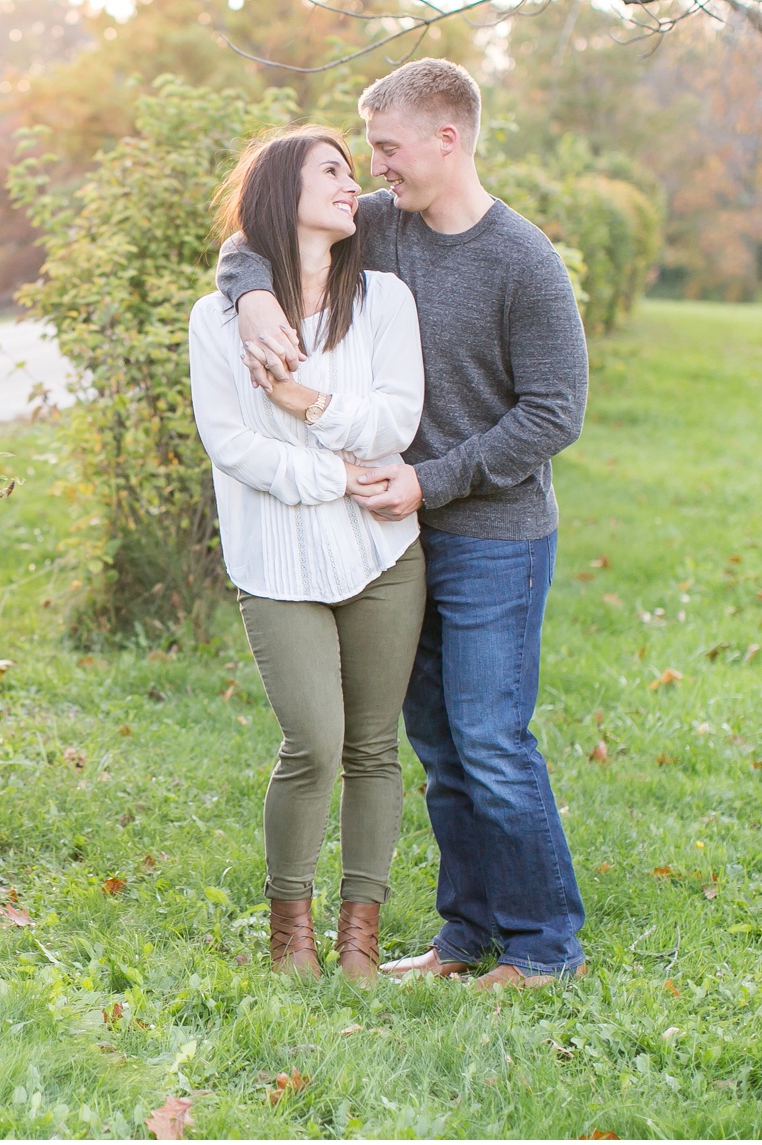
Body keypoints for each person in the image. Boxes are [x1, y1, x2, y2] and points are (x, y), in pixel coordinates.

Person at [214, 58, 591, 988]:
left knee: (493, 739)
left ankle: (545, 947)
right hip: (402, 536)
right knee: (438, 745)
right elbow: (253, 236)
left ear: (445, 139)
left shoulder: (523, 260)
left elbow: (555, 412)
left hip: (495, 532)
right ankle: (465, 937)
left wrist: (431, 481)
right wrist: (252, 293)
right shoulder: (381, 225)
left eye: (386, 147)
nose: (374, 167)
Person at [188, 125, 427, 986]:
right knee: (314, 742)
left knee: (373, 747)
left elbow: (395, 423)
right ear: (280, 188)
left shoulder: (386, 301)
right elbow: (233, 445)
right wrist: (336, 467)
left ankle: (360, 936)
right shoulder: (217, 319)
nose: (350, 181)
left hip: (382, 555)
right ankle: (290, 929)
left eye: (351, 170)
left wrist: (304, 398)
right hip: (277, 560)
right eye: (330, 168)